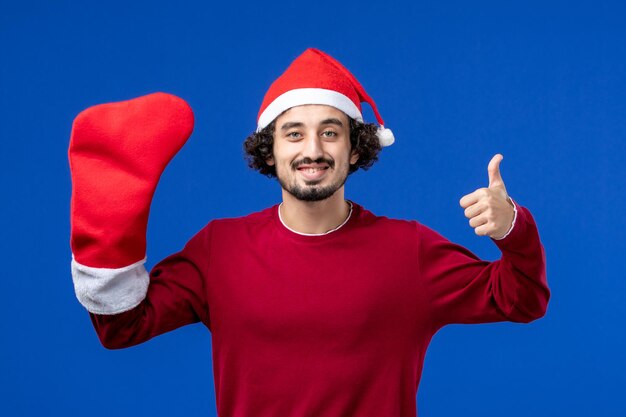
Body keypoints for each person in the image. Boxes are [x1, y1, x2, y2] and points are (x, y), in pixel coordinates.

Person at [68, 48, 550, 417]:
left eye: (331, 132)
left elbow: (523, 299)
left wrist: (512, 227)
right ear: (269, 151)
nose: (313, 149)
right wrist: (111, 215)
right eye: (294, 133)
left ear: (356, 149)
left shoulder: (409, 250)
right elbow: (122, 326)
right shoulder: (221, 248)